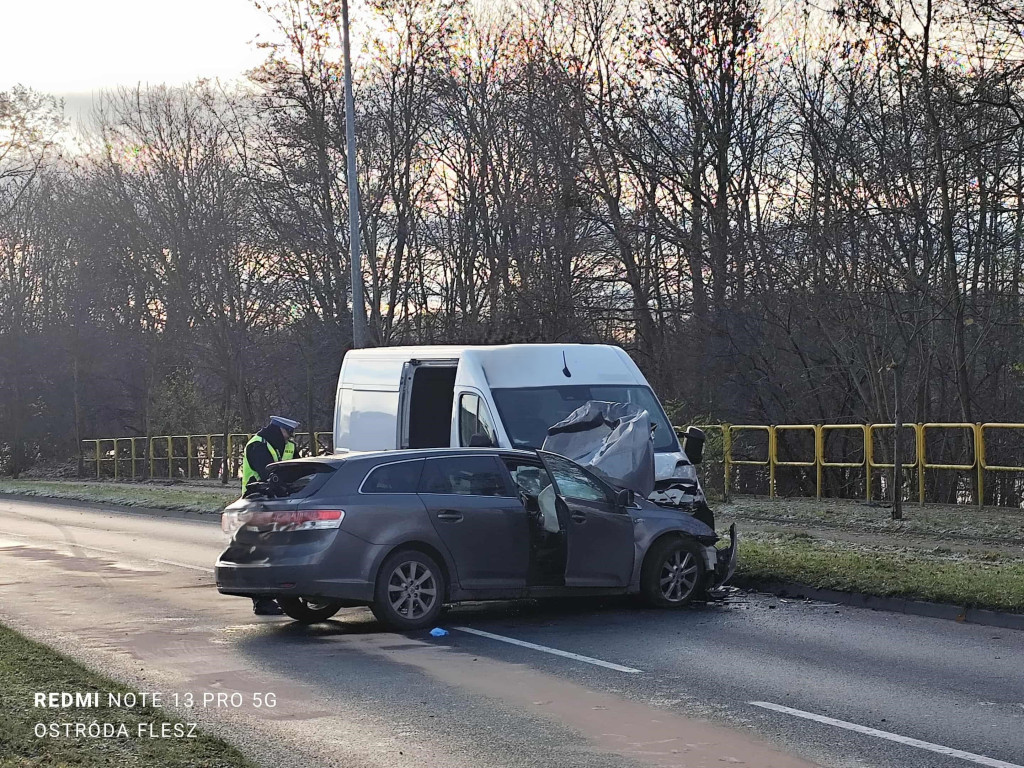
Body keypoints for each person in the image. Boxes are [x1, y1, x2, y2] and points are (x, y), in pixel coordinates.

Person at [241, 416, 301, 615]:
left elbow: (301, 469)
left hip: (282, 503)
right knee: (261, 553)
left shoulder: (289, 446)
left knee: (281, 552)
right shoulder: (257, 445)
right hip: (257, 502)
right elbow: (265, 474)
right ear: (278, 430)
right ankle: (261, 601)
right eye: (288, 433)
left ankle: (287, 596)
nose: (289, 437)